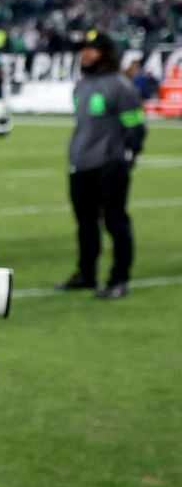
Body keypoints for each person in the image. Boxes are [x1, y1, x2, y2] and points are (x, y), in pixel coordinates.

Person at [60, 32, 145, 300]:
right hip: (81, 166)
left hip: (109, 166)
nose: (85, 53)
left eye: (92, 49)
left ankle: (119, 278)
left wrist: (127, 156)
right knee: (85, 224)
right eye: (83, 49)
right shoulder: (82, 85)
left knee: (115, 222)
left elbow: (136, 127)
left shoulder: (120, 85)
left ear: (106, 53)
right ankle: (87, 274)